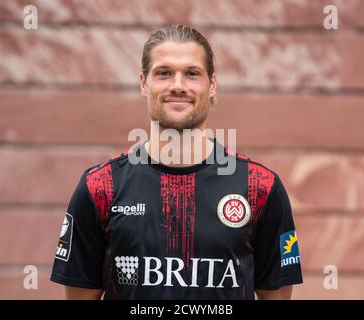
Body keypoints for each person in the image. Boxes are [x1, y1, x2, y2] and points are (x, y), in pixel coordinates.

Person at [50, 24, 303, 300]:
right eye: (164, 73)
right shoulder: (100, 187)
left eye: (192, 74)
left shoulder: (260, 187)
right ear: (144, 83)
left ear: (212, 85)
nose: (178, 86)